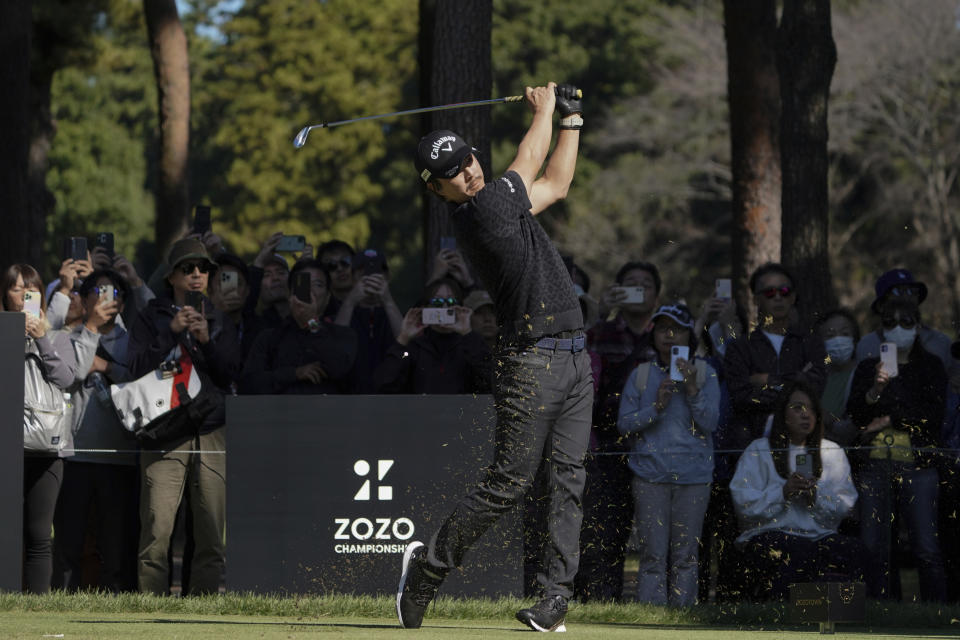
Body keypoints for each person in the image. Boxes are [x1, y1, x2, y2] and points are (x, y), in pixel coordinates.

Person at [396, 82, 589, 633]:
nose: (469, 172)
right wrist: (547, 108)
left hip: (575, 358)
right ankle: (427, 570)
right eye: (453, 172)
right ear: (438, 189)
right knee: (509, 483)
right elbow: (531, 158)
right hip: (531, 363)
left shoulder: (502, 201)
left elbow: (556, 181)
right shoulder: (480, 213)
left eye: (468, 159)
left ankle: (555, 599)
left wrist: (570, 121)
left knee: (570, 479)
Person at [126, 238, 241, 595]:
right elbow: (136, 368)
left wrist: (206, 338)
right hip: (165, 433)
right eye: (188, 268)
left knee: (211, 534)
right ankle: (149, 614)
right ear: (172, 276)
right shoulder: (151, 317)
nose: (197, 275)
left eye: (203, 269)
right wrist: (172, 331)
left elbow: (230, 374)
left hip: (210, 432)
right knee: (157, 532)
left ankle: (203, 615)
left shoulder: (219, 318)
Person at [720, 262, 827, 599]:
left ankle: (800, 602)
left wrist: (766, 381)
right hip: (749, 446)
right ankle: (736, 603)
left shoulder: (810, 343)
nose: (778, 298)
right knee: (744, 525)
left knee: (800, 520)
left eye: (784, 291)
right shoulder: (740, 347)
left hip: (800, 445)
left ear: (793, 297)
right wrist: (795, 382)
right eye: (769, 292)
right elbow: (740, 396)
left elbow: (815, 389)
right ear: (756, 300)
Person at [616, 304, 719, 606]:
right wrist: (656, 408)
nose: (669, 335)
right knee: (652, 555)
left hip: (694, 477)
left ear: (690, 336)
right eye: (662, 328)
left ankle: (684, 618)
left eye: (677, 329)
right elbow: (624, 425)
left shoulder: (706, 373)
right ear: (654, 335)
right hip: (650, 476)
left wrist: (691, 389)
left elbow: (711, 422)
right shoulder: (642, 374)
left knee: (686, 556)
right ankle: (650, 617)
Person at [847, 297, 947, 601]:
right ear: (881, 329)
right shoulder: (868, 367)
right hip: (874, 465)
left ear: (917, 327)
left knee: (926, 547)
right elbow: (856, 414)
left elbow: (931, 417)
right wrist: (875, 390)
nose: (898, 328)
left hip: (919, 465)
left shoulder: (931, 366)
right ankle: (880, 613)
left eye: (906, 322)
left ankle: (937, 616)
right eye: (890, 322)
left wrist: (889, 417)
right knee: (874, 545)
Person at [730, 381, 863, 600]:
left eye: (811, 409)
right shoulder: (758, 450)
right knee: (801, 552)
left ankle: (857, 619)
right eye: (797, 407)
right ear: (782, 413)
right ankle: (784, 616)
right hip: (770, 535)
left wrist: (815, 498)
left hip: (819, 535)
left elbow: (844, 506)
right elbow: (743, 505)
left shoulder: (832, 451)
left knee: (855, 551)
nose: (806, 414)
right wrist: (782, 493)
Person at [577, 260, 660, 602]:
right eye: (630, 283)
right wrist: (601, 316)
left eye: (645, 283)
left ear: (657, 295)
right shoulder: (601, 333)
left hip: (657, 445)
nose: (637, 288)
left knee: (657, 536)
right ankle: (603, 601)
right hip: (609, 445)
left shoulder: (668, 333)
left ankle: (656, 605)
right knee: (607, 531)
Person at [53, 269, 139, 592]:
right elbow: (70, 376)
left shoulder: (131, 342)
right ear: (85, 299)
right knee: (69, 539)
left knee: (115, 542)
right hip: (75, 454)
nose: (105, 298)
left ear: (122, 302)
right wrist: (88, 330)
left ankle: (115, 605)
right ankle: (64, 597)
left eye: (113, 293)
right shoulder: (69, 338)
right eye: (98, 292)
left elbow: (139, 384)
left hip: (119, 456)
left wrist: (105, 366)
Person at [3, 263, 78, 593]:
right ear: (5, 295)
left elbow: (66, 378)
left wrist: (41, 340)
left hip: (47, 447)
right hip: (7, 446)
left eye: (30, 289)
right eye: (16, 288)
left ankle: (38, 606)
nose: (23, 295)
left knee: (38, 534)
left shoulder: (59, 337)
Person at [240, 260, 357, 394]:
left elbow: (340, 369)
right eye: (304, 284)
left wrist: (312, 323)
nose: (310, 291)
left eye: (318, 284)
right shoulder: (269, 338)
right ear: (290, 294)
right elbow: (248, 384)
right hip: (280, 413)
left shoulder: (343, 335)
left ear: (328, 297)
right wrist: (294, 374)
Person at [374, 278, 491, 394]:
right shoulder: (413, 348)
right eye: (438, 302)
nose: (445, 307)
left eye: (451, 302)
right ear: (425, 308)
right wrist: (403, 338)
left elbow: (491, 380)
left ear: (459, 307)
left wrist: (467, 333)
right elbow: (384, 385)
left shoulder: (469, 344)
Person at [334, 248, 404, 393]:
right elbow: (336, 348)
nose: (371, 278)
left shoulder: (395, 312)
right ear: (353, 278)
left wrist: (388, 301)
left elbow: (405, 343)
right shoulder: (344, 311)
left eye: (376, 273)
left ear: (387, 277)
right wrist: (351, 301)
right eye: (364, 273)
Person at [815, 309, 861, 446]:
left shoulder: (863, 375)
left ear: (855, 338)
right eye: (830, 335)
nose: (838, 340)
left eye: (845, 333)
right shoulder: (816, 377)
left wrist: (830, 420)